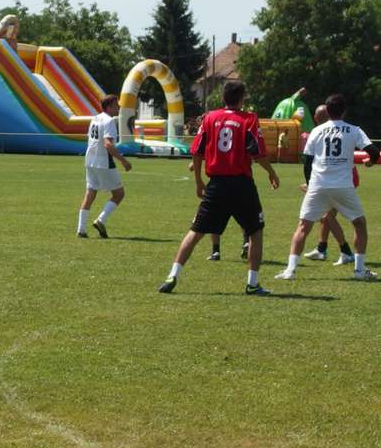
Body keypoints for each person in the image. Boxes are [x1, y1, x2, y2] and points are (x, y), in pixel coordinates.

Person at [158, 80, 280, 295]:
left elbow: (196, 151)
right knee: (255, 232)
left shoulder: (210, 118)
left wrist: (198, 181)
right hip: (241, 185)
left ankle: (172, 275)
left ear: (223, 97)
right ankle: (252, 284)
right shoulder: (249, 119)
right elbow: (257, 152)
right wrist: (271, 172)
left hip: (216, 185)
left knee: (195, 232)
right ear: (242, 98)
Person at [274, 93, 379, 282]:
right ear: (344, 111)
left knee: (303, 226)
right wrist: (370, 162)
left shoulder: (316, 131)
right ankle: (359, 269)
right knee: (359, 223)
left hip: (318, 185)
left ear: (327, 111)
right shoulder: (354, 130)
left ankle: (290, 270)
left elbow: (308, 161)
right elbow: (374, 152)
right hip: (343, 186)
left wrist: (310, 183)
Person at [302, 103, 356, 265]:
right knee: (325, 218)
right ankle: (321, 249)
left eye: (317, 116)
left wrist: (311, 185)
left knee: (327, 216)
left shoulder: (323, 132)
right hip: (337, 179)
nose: (316, 118)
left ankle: (346, 251)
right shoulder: (329, 131)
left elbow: (312, 161)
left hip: (339, 181)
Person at [77, 94, 131, 238]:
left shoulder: (95, 118)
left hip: (90, 160)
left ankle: (81, 229)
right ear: (109, 107)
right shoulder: (109, 121)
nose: (119, 107)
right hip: (103, 162)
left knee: (90, 192)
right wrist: (123, 161)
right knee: (119, 194)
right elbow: (108, 144)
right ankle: (101, 220)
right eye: (116, 105)